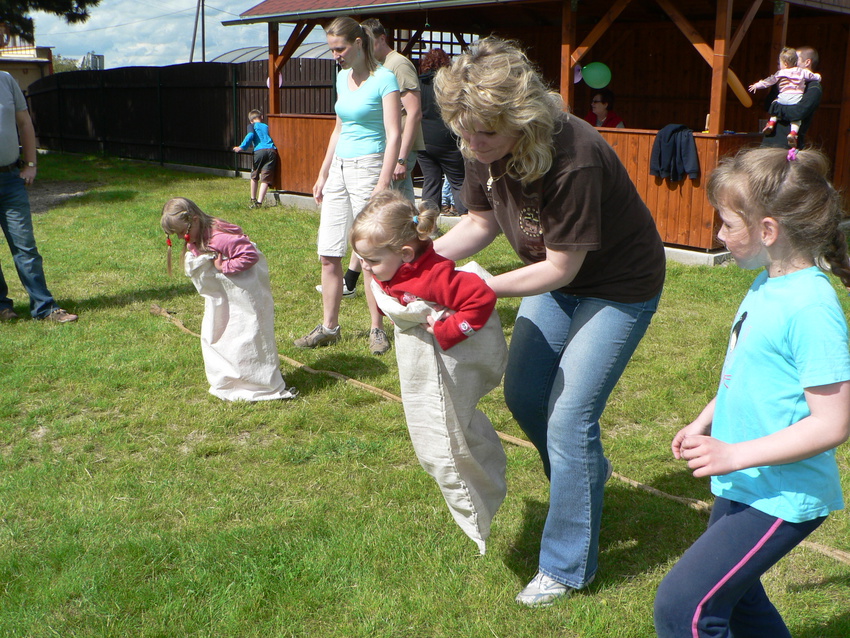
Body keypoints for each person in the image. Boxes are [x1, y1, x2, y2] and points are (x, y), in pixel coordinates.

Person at [433, 37, 665, 606]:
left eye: (485, 134)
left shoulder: (573, 154)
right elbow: (480, 223)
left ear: (522, 118)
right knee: (525, 395)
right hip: (555, 277)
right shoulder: (478, 138)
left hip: (618, 286)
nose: (472, 144)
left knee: (569, 418)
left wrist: (478, 288)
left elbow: (562, 267)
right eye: (464, 132)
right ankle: (581, 480)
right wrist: (421, 266)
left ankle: (565, 565)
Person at [654, 147, 850, 638]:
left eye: (727, 224)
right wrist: (704, 421)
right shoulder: (768, 283)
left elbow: (832, 424)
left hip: (781, 494)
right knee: (739, 600)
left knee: (684, 606)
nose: (719, 235)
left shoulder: (811, 307)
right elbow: (745, 373)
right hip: (744, 479)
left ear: (768, 230)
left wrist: (733, 454)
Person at [351, 189, 508, 554]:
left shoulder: (434, 278)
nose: (365, 269)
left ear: (405, 254)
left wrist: (448, 329)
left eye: (372, 261)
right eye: (362, 260)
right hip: (416, 356)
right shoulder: (395, 265)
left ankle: (477, 499)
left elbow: (482, 297)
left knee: (447, 430)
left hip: (450, 357)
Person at [296, 16, 401, 355]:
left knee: (369, 252)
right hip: (340, 169)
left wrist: (383, 181)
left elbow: (394, 134)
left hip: (370, 167)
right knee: (328, 253)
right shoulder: (342, 78)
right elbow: (338, 128)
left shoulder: (384, 79)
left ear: (358, 43)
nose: (335, 55)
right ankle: (329, 328)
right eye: (331, 49)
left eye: (339, 49)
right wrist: (323, 174)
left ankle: (377, 328)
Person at [161, 197, 296, 402]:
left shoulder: (219, 238)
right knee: (225, 333)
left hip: (244, 297)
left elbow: (249, 255)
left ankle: (256, 381)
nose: (181, 237)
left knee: (247, 332)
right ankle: (235, 377)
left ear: (194, 220)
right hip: (227, 299)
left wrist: (223, 267)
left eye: (183, 232)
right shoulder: (202, 233)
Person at [0, 71, 77, 324]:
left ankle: (45, 307)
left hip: (10, 178)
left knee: (25, 247)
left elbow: (24, 123)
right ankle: (1, 307)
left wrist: (31, 163)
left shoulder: (6, 80)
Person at [417, 48, 468, 216]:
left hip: (424, 140)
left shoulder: (418, 84)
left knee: (430, 181)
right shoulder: (450, 85)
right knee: (458, 181)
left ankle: (428, 223)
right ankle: (467, 218)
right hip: (448, 139)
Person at [748, 47, 821, 148]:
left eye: (796, 59)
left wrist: (777, 107)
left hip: (787, 147)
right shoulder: (783, 79)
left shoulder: (813, 87)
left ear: (807, 62)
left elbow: (798, 113)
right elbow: (767, 105)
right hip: (768, 143)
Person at [232, 109, 278, 208]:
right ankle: (259, 202)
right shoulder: (267, 126)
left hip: (259, 151)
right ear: (262, 117)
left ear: (251, 120)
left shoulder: (252, 126)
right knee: (266, 178)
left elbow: (250, 135)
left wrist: (242, 147)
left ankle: (253, 198)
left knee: (254, 175)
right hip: (272, 150)